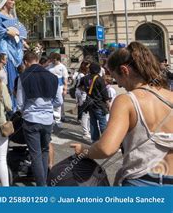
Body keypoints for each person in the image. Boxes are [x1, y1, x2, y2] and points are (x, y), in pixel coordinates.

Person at [71, 42, 173, 186]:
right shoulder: (170, 96)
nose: (118, 85)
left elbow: (106, 148)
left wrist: (83, 150)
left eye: (115, 78)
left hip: (142, 183)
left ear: (124, 70)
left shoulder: (126, 101)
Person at [16, 51, 59, 186]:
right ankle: (44, 181)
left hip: (31, 118)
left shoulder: (23, 77)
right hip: (47, 120)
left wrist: (24, 112)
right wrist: (47, 106)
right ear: (37, 59)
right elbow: (59, 101)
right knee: (45, 149)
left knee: (35, 154)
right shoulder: (53, 77)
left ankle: (42, 185)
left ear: (26, 62)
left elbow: (20, 103)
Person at [0, 0, 28, 110]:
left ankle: (16, 103)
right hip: (3, 46)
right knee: (5, 71)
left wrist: (22, 41)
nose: (14, 2)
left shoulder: (13, 17)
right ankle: (6, 103)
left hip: (16, 48)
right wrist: (6, 31)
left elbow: (19, 32)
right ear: (5, 1)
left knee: (17, 74)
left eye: (14, 0)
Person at [78, 62, 110, 142]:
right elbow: (104, 93)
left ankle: (95, 141)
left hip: (90, 104)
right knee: (102, 122)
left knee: (93, 122)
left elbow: (79, 87)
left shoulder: (85, 78)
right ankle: (105, 141)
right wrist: (108, 104)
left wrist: (87, 90)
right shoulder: (99, 79)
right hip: (99, 104)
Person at [47, 53, 68, 127]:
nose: (52, 60)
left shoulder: (62, 67)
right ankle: (53, 119)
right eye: (52, 59)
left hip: (59, 86)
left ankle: (58, 119)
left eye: (54, 59)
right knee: (50, 101)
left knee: (59, 102)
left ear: (58, 59)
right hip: (50, 86)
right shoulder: (49, 66)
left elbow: (65, 78)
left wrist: (65, 89)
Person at [74, 61, 91, 140]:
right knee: (84, 110)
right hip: (81, 93)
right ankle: (85, 131)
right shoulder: (81, 75)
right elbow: (80, 86)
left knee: (83, 109)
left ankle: (82, 121)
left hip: (81, 92)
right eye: (87, 66)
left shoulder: (82, 74)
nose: (89, 68)